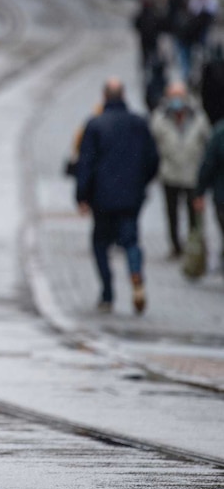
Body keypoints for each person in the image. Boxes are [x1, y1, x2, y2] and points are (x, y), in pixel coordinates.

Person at [75, 77, 160, 315]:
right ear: (123, 96)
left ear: (104, 97)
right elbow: (153, 159)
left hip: (102, 198)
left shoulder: (94, 125)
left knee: (100, 243)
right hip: (131, 197)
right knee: (130, 240)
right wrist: (142, 184)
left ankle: (107, 292)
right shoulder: (139, 123)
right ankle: (135, 274)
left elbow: (86, 164)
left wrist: (82, 197)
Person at [150, 81, 210, 258]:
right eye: (173, 96)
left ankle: (194, 246)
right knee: (172, 212)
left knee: (193, 213)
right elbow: (152, 146)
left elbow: (207, 143)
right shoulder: (159, 118)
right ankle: (175, 244)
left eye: (179, 96)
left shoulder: (198, 117)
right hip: (170, 174)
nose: (177, 100)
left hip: (193, 174)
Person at [194, 118, 224, 273]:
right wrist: (199, 192)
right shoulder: (219, 133)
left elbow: (208, 165)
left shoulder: (219, 132)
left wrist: (199, 192)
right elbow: (209, 165)